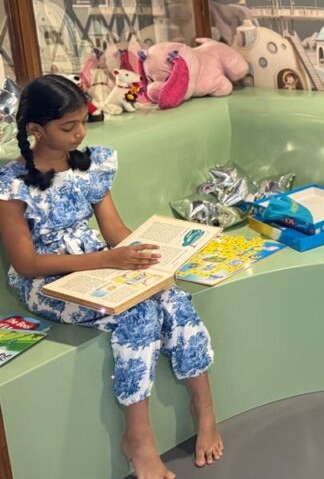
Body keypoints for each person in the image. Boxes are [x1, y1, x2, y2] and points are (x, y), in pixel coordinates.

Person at [0, 75, 223, 478]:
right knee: (137, 314)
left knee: (172, 295)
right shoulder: (12, 184)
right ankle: (139, 440)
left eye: (83, 122)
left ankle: (204, 410)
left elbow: (115, 231)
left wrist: (152, 255)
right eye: (68, 127)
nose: (80, 134)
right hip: (48, 284)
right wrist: (109, 260)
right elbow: (27, 263)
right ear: (36, 129)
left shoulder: (90, 165)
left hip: (99, 263)